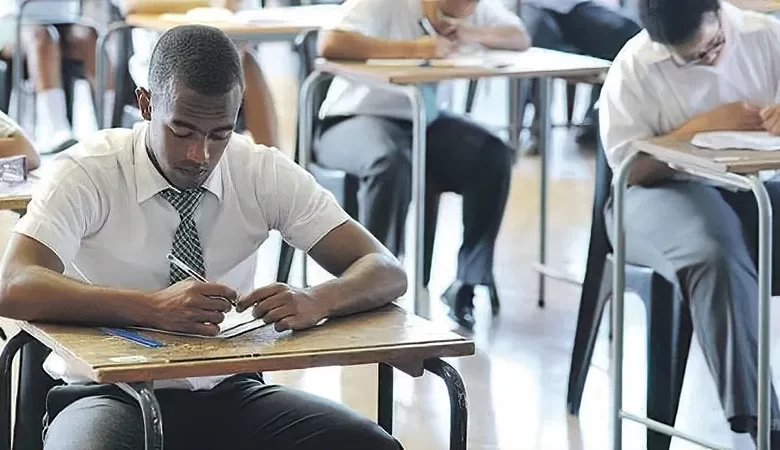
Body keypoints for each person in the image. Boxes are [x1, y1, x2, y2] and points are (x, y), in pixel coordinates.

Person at [0, 24, 406, 450]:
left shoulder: (259, 170)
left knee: (369, 444)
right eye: (182, 131)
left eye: (220, 134)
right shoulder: (90, 171)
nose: (201, 156)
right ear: (146, 104)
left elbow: (385, 270)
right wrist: (151, 309)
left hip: (228, 391)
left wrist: (317, 300)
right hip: (108, 393)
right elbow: (12, 283)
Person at [599, 0, 780, 444]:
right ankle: (765, 424)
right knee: (714, 250)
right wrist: (695, 129)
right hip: (655, 195)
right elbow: (628, 169)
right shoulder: (635, 66)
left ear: (720, 12)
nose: (710, 60)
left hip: (753, 187)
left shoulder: (766, 36)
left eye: (714, 45)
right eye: (693, 59)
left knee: (735, 231)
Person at [315, 0, 528, 329]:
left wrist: (469, 32)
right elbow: (330, 42)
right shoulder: (384, 5)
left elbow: (519, 37)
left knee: (491, 154)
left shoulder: (470, 9)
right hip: (354, 119)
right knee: (389, 161)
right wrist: (413, 48)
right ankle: (369, 286)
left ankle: (466, 283)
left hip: (422, 124)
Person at [123, 0, 279, 147]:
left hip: (215, 54)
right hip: (161, 62)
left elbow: (233, 11)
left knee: (245, 63)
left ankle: (271, 164)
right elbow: (132, 5)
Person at [518, 0, 640, 147]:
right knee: (536, 37)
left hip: (584, 6)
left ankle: (596, 122)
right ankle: (537, 127)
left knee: (628, 33)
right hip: (537, 7)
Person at [0, 0, 116, 154]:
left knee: (90, 37)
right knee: (42, 37)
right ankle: (56, 130)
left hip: (63, 18)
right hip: (13, 20)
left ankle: (111, 127)